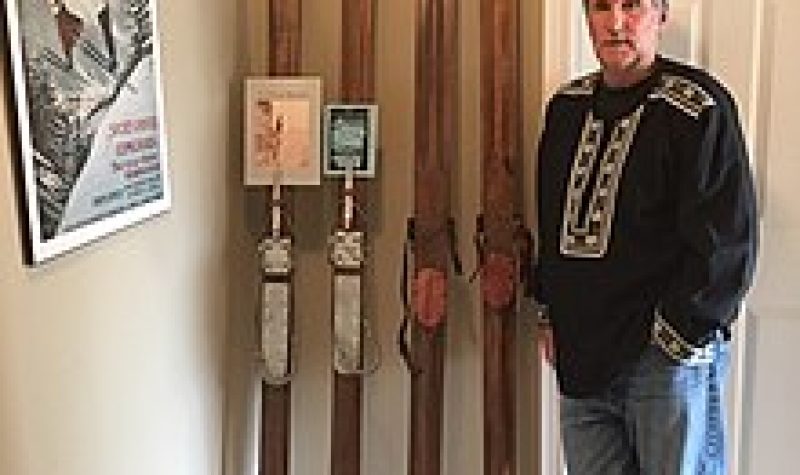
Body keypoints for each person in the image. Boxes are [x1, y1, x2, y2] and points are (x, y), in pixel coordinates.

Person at [530, 0, 758, 473]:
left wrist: (677, 338)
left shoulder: (697, 109)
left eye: (632, 6)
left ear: (660, 14)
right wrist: (549, 310)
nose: (615, 23)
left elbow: (727, 240)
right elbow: (552, 225)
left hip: (663, 361)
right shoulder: (566, 111)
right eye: (600, 7)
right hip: (583, 356)